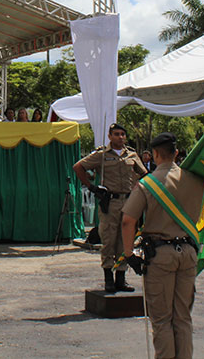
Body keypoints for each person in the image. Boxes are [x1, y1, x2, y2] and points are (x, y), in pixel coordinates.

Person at [120, 132, 204, 359]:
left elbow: (128, 220)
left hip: (160, 254)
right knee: (183, 317)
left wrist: (129, 254)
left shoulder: (148, 183)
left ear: (155, 154)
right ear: (176, 153)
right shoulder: (196, 180)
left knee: (162, 319)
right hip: (188, 252)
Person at [73, 123, 147, 293]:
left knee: (125, 240)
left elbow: (144, 175)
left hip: (129, 201)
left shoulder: (132, 154)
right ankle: (108, 278)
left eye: (122, 134)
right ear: (109, 136)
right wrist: (92, 187)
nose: (120, 137)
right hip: (110, 201)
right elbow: (78, 167)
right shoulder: (102, 155)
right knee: (108, 240)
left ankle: (121, 278)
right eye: (116, 134)